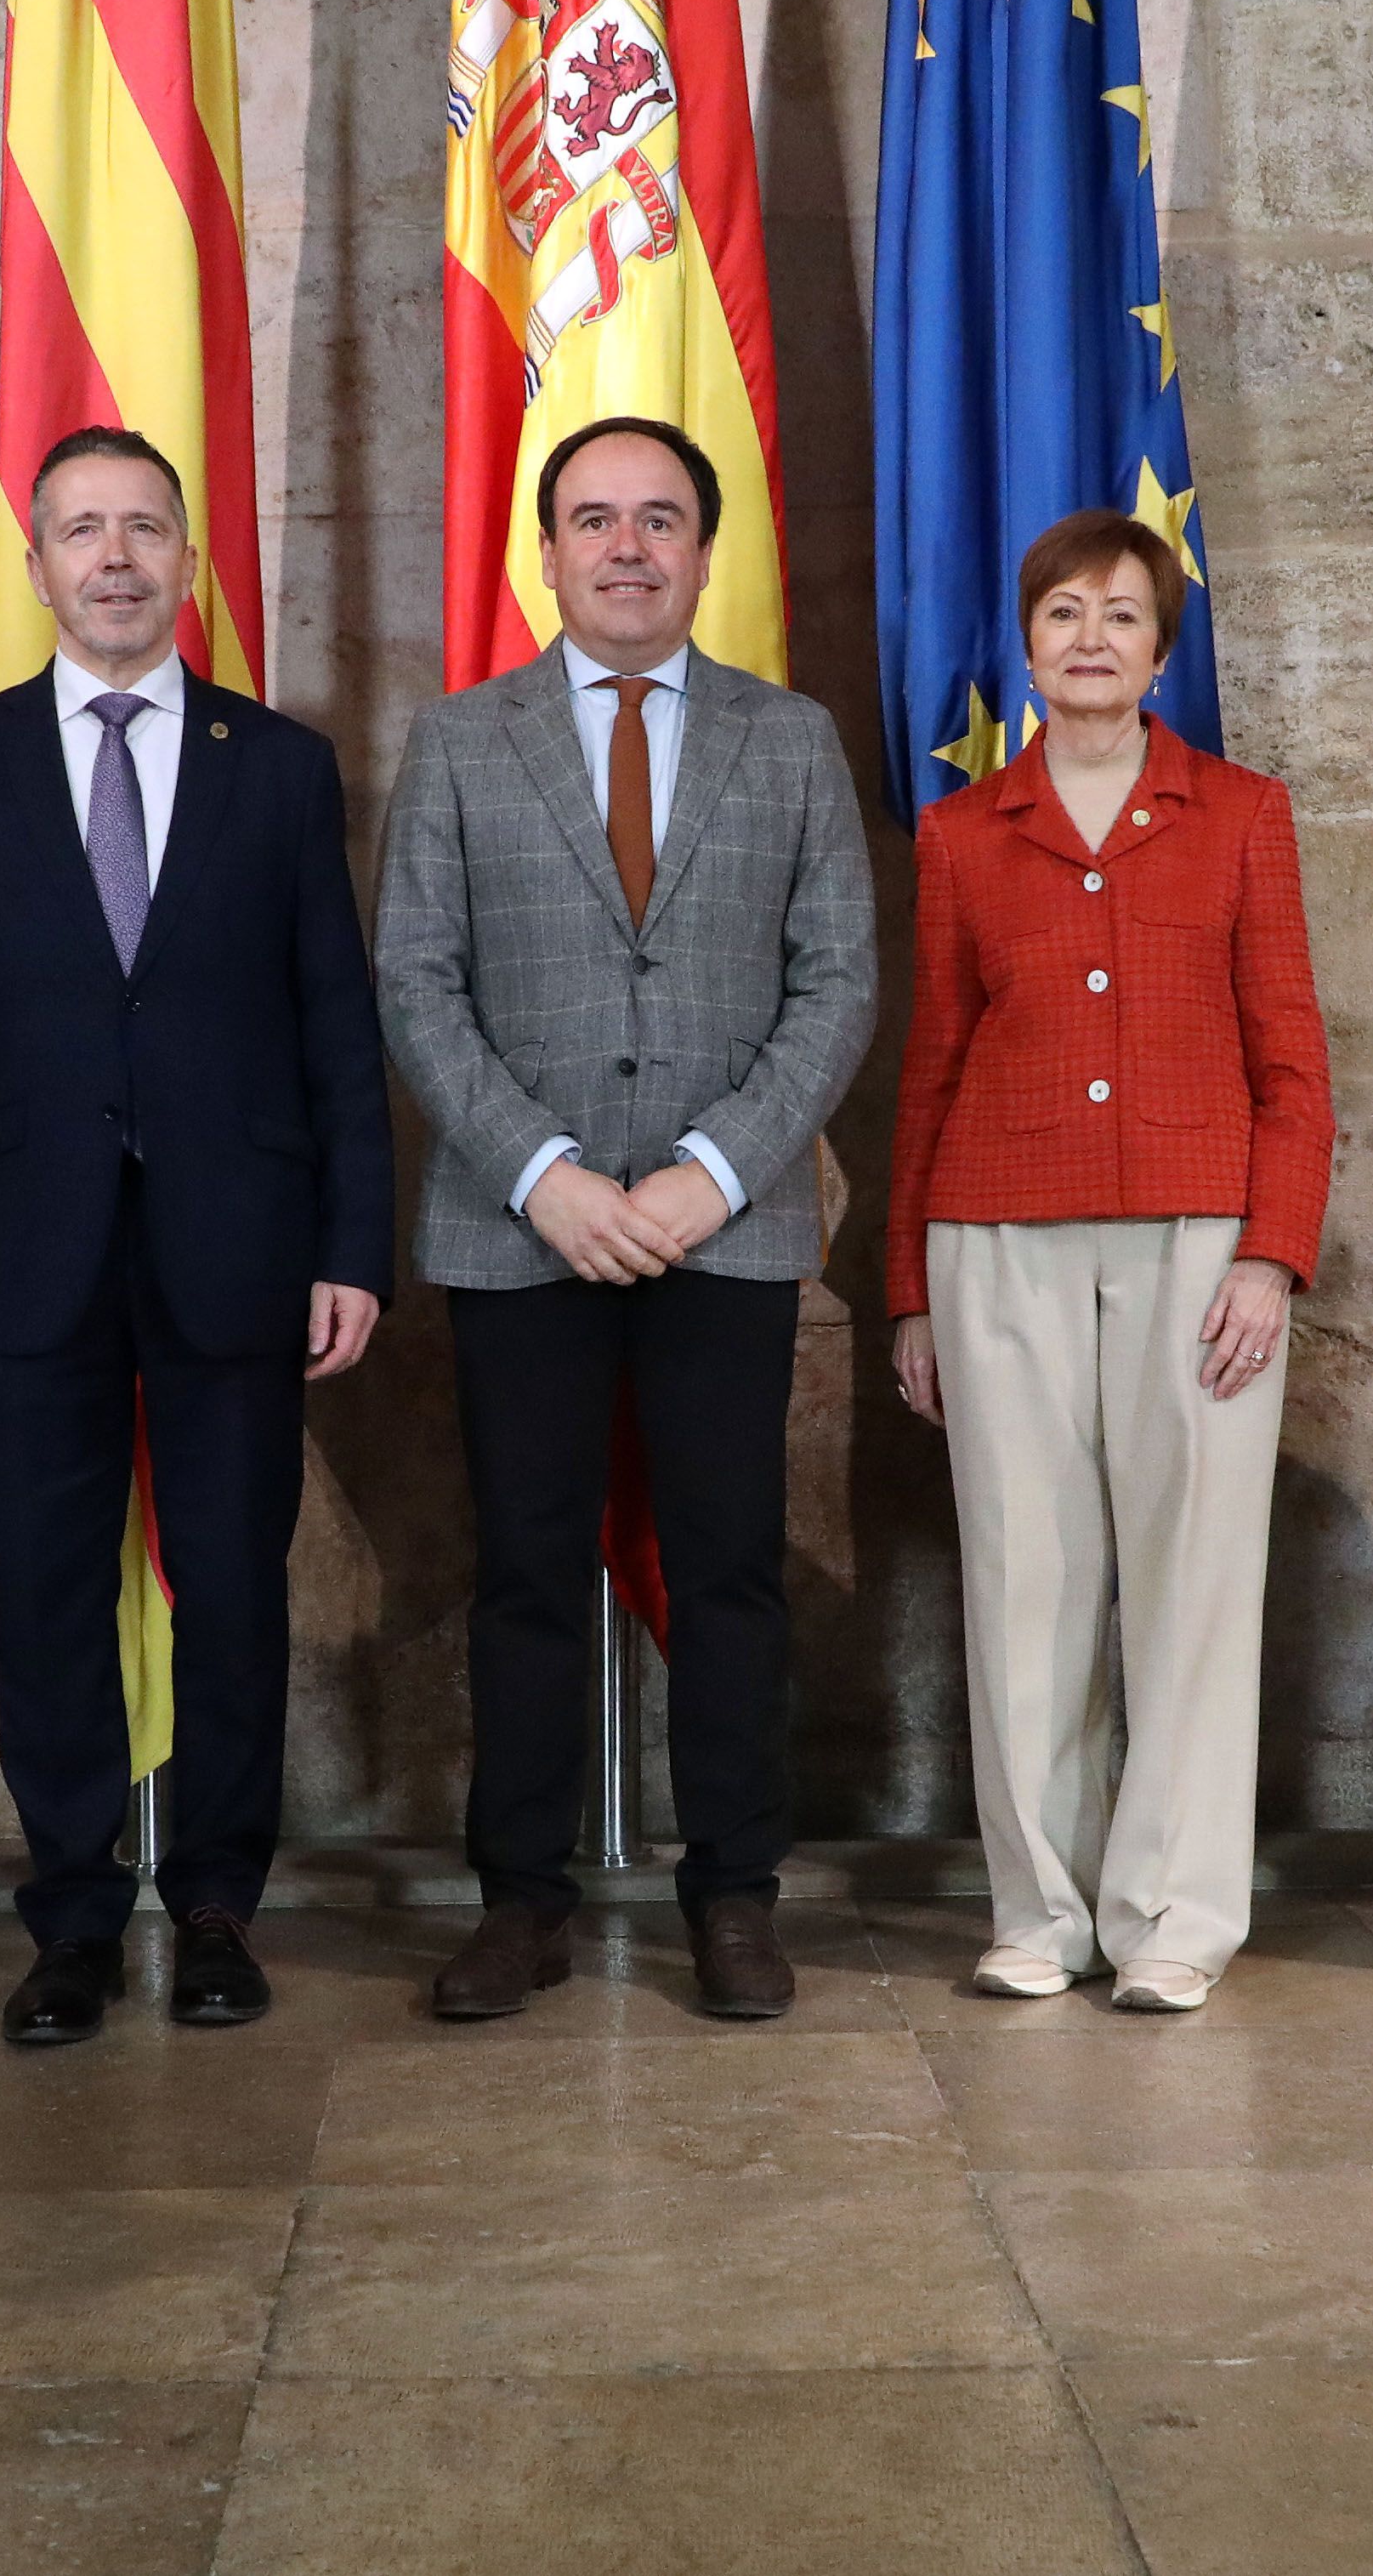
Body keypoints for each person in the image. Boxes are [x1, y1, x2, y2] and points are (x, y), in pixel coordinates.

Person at [0, 428, 389, 2040]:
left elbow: (338, 1034)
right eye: (82, 531)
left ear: (188, 561)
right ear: (36, 565)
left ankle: (223, 1905)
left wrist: (352, 1246)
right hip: (25, 1259)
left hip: (240, 1246)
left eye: (144, 529)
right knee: (45, 1592)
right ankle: (74, 1918)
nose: (114, 557)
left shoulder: (281, 765)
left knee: (236, 1582)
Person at [377, 414, 877, 2023]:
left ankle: (733, 1894)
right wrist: (550, 1177)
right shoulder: (461, 741)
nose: (628, 548)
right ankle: (520, 1901)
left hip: (722, 1231)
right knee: (526, 1572)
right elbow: (417, 980)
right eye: (594, 520)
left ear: (704, 553)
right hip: (523, 1228)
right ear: (548, 553)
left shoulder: (788, 741)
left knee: (730, 1570)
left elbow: (838, 986)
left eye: (661, 519)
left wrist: (709, 1174)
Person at [884, 513, 1330, 2015]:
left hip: (1202, 1240)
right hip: (994, 1238)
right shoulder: (961, 834)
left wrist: (1272, 1257)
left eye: (1122, 616)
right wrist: (907, 1293)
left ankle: (1176, 1917)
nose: (1090, 638)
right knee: (1026, 1578)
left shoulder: (1240, 813)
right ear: (1028, 643)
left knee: (1197, 1576)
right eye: (1064, 613)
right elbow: (929, 1065)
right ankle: (1039, 1910)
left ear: (1161, 646)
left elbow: (1295, 1063)